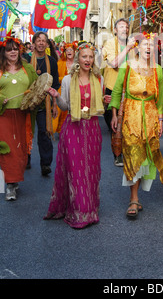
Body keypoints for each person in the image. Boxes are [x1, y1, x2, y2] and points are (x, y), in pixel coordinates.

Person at [110, 31, 163, 219]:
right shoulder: (127, 67)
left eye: (152, 46)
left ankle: (138, 193)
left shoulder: (158, 69)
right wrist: (114, 116)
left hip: (151, 117)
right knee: (133, 155)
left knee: (146, 157)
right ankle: (133, 198)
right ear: (138, 47)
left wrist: (161, 120)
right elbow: (117, 91)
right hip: (130, 117)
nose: (148, 48)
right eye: (145, 45)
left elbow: (160, 98)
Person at [44, 42, 104, 229]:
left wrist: (106, 101)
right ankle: (80, 210)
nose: (87, 60)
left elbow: (98, 105)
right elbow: (64, 107)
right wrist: (56, 95)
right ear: (78, 58)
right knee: (76, 170)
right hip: (74, 128)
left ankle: (89, 206)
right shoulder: (68, 80)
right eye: (84, 56)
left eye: (90, 57)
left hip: (92, 127)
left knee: (91, 170)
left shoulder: (98, 78)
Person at [0, 35, 37, 200]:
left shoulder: (27, 68)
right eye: (9, 50)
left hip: (23, 114)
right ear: (4, 52)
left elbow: (37, 86)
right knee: (7, 149)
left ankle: (14, 180)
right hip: (4, 115)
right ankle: (10, 185)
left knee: (21, 149)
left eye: (15, 49)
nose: (13, 52)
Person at [102, 18, 136, 166]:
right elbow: (114, 63)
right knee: (113, 122)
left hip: (129, 87)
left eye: (126, 27)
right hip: (112, 87)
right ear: (115, 30)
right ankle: (117, 153)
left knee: (128, 121)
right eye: (121, 26)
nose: (125, 29)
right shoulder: (109, 44)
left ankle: (128, 150)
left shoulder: (133, 45)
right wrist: (127, 49)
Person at [30, 31, 60, 176]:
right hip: (27, 102)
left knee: (44, 132)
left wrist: (54, 104)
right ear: (34, 43)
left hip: (44, 103)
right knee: (26, 132)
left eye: (44, 41)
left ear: (47, 44)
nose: (41, 43)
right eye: (38, 40)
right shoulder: (25, 59)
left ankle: (45, 164)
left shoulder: (52, 62)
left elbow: (54, 85)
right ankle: (26, 159)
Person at [52, 41, 77, 134]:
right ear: (64, 52)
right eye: (67, 50)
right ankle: (63, 129)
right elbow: (55, 78)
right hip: (63, 89)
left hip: (76, 89)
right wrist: (65, 78)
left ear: (74, 51)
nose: (69, 52)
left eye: (71, 50)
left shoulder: (79, 62)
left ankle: (74, 128)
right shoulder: (60, 63)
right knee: (63, 111)